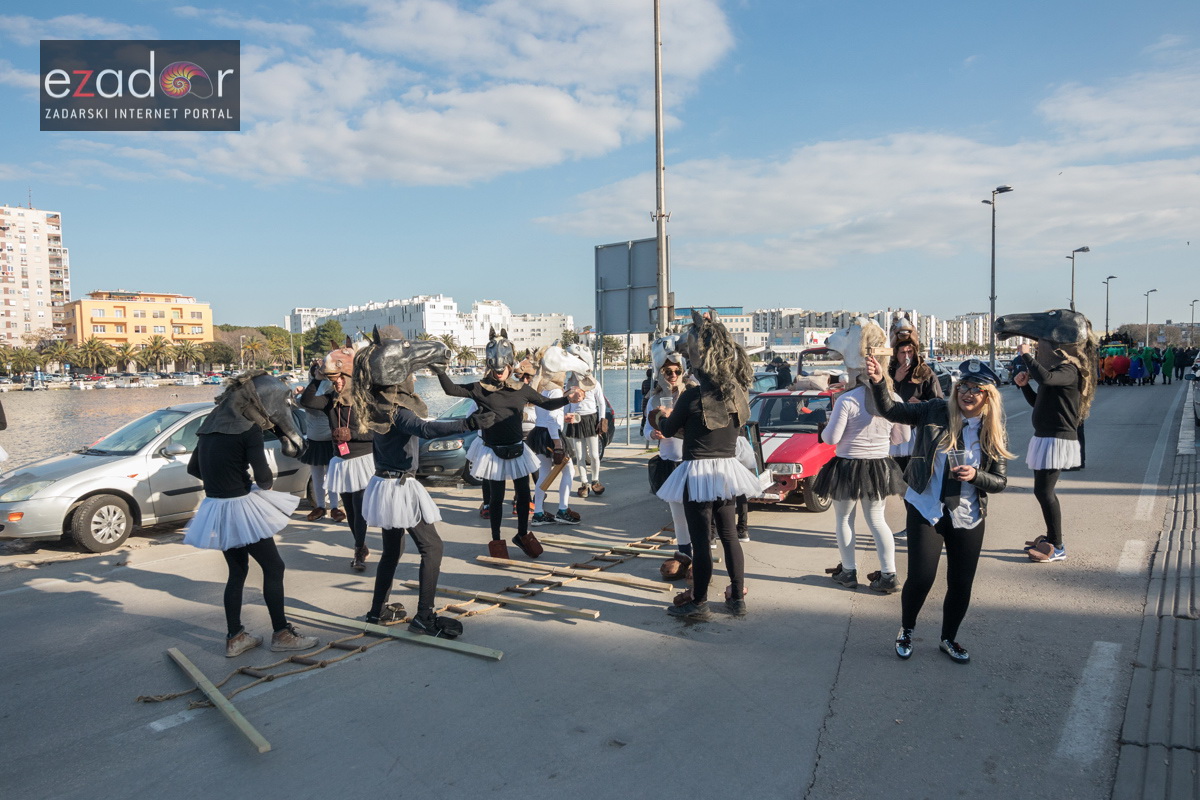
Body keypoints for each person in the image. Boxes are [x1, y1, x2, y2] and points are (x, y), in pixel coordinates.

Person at [864, 356, 1012, 664]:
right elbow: (891, 410)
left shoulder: (991, 431)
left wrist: (976, 476)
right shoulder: (934, 410)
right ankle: (906, 629)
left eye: (977, 389)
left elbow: (999, 481)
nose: (968, 393)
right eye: (964, 387)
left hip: (968, 514)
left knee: (960, 583)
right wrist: (880, 382)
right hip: (927, 507)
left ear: (988, 396)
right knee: (921, 578)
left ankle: (948, 638)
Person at [357, 368, 497, 637]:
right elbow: (426, 429)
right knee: (432, 547)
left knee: (391, 551)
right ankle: (424, 616)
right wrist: (469, 424)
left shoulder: (378, 407)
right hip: (399, 486)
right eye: (411, 374)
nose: (416, 378)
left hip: (383, 483)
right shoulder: (398, 411)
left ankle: (377, 612)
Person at [184, 380, 318, 657]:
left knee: (237, 572)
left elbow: (193, 467)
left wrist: (223, 481)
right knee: (274, 567)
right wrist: (245, 482)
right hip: (240, 507)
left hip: (216, 507)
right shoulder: (249, 430)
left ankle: (235, 637)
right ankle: (281, 633)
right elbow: (265, 480)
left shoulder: (207, 429)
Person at [650, 312, 761, 621]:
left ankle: (699, 602)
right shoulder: (738, 394)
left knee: (701, 540)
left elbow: (670, 429)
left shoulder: (691, 396)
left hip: (697, 471)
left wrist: (659, 415)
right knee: (729, 536)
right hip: (727, 470)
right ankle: (736, 597)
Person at [433, 329, 582, 558]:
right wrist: (440, 370)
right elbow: (450, 389)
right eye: (496, 369)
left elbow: (546, 404)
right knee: (495, 499)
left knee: (523, 497)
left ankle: (522, 534)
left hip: (517, 450)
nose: (500, 373)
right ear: (490, 366)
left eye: (503, 369)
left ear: (510, 366)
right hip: (493, 452)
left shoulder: (521, 389)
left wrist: (567, 398)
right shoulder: (480, 389)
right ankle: (496, 540)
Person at [816, 367, 909, 593]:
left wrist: (827, 425)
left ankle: (848, 571)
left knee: (844, 518)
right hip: (878, 465)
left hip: (848, 465)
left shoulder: (847, 399)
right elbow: (903, 437)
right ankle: (889, 574)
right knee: (878, 520)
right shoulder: (893, 398)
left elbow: (831, 438)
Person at [1014, 333, 1096, 563]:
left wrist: (1027, 356)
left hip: (1057, 438)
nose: (1039, 350)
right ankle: (1052, 538)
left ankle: (1057, 545)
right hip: (1045, 437)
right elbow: (1037, 401)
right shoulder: (1056, 373)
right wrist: (1023, 386)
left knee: (1044, 491)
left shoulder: (1068, 370)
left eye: (1042, 347)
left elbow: (1047, 379)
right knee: (1042, 491)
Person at [301, 343, 375, 572]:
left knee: (360, 508)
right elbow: (306, 401)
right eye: (334, 380)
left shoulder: (366, 400)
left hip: (362, 460)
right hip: (341, 462)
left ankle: (358, 550)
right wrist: (316, 377)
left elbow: (377, 433)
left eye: (341, 379)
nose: (338, 383)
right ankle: (360, 545)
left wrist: (352, 434)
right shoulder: (330, 400)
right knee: (351, 511)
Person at [643, 346, 696, 579]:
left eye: (676, 371)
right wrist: (652, 434)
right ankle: (685, 554)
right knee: (677, 514)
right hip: (669, 461)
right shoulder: (654, 398)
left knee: (698, 511)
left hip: (693, 461)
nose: (673, 375)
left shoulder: (692, 394)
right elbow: (645, 428)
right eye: (667, 372)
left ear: (683, 371)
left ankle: (700, 552)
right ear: (660, 373)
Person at [528, 363, 581, 525]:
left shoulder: (542, 389)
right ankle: (563, 510)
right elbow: (552, 418)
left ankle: (538, 513)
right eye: (563, 373)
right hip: (552, 435)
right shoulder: (556, 390)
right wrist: (558, 445)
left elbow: (546, 415)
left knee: (543, 474)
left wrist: (563, 418)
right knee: (569, 471)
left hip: (539, 433)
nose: (565, 375)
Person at [887, 327, 942, 472]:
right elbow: (881, 398)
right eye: (903, 353)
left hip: (918, 429)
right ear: (895, 354)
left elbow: (939, 402)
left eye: (909, 352)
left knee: (918, 470)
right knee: (899, 471)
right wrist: (895, 380)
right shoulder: (889, 372)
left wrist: (922, 404)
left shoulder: (925, 372)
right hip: (896, 428)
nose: (907, 356)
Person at [298, 365, 344, 523]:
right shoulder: (307, 395)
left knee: (332, 476)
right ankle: (320, 506)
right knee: (317, 476)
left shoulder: (331, 394)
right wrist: (296, 392)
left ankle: (335, 507)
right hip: (314, 440)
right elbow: (300, 403)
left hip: (330, 440)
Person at [564, 364, 608, 498]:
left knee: (594, 454)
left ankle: (595, 479)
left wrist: (602, 419)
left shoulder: (594, 383)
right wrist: (565, 417)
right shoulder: (570, 384)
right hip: (576, 418)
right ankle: (584, 482)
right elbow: (566, 402)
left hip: (591, 418)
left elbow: (601, 402)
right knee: (580, 455)